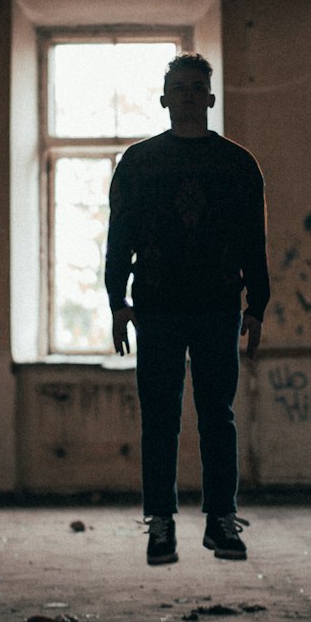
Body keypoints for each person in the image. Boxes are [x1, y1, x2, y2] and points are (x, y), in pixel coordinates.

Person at [105, 53, 270, 566]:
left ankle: (221, 520)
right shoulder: (139, 162)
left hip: (218, 305)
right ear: (164, 97)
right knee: (160, 417)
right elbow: (120, 236)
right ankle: (161, 523)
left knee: (216, 416)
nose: (188, 94)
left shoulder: (238, 164)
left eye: (197, 87)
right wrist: (117, 301)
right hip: (156, 305)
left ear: (211, 97)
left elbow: (253, 240)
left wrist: (257, 303)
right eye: (179, 87)